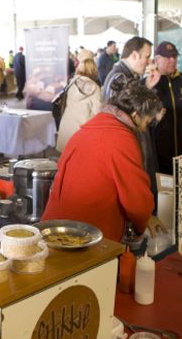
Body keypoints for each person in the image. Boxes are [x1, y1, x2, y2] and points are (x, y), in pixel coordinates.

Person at [42, 79, 165, 242]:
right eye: (146, 123)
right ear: (135, 116)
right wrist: (142, 223)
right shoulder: (122, 140)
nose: (144, 129)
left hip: (55, 224)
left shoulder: (88, 128)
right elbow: (136, 199)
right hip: (86, 234)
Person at [102, 36, 161, 205]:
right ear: (134, 55)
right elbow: (122, 117)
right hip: (126, 147)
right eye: (147, 57)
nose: (149, 62)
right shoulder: (119, 77)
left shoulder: (128, 76)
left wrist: (147, 87)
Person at [152, 41, 182, 174]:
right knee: (162, 194)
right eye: (168, 57)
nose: (172, 60)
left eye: (174, 56)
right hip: (157, 157)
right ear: (157, 59)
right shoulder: (148, 85)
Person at [56, 58, 103, 152]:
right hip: (83, 129)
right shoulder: (95, 87)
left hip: (67, 126)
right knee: (80, 157)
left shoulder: (71, 83)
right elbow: (98, 112)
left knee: (66, 156)